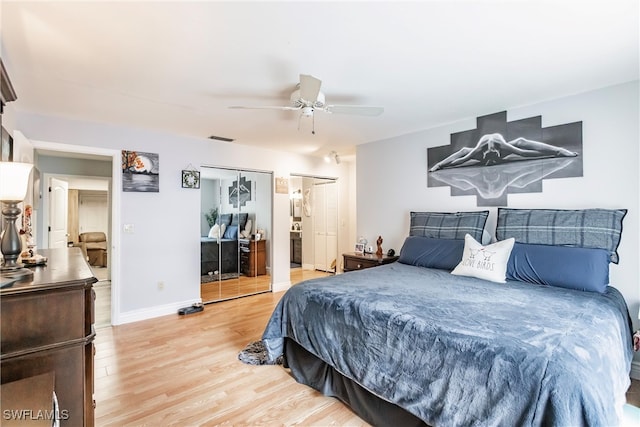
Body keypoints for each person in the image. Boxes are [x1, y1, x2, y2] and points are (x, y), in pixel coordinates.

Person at [429, 133, 578, 172]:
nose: (491, 164)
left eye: (492, 162)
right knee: (463, 151)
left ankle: (560, 150)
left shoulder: (504, 147)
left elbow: (523, 153)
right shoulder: (478, 151)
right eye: (490, 162)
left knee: (521, 141)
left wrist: (557, 152)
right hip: (481, 149)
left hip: (501, 146)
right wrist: (440, 166)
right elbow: (461, 159)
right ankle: (439, 164)